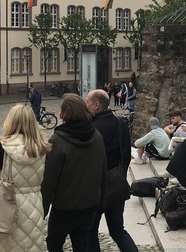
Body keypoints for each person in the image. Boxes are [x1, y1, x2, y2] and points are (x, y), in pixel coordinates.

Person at [41, 93, 107, 252]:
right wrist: (101, 202)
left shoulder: (58, 141)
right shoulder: (97, 136)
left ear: (63, 115)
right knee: (82, 245)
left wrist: (41, 211)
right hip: (89, 205)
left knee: (54, 244)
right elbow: (103, 172)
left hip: (64, 208)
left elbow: (49, 181)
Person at [0, 104, 51, 251]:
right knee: (29, 245)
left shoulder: (2, 148)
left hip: (6, 204)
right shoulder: (42, 148)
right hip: (33, 204)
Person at [85, 89, 137, 252]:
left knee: (90, 232)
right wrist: (120, 173)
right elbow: (126, 153)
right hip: (116, 183)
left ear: (96, 105)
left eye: (87, 102)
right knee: (117, 230)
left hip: (97, 188)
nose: (85, 105)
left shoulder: (92, 128)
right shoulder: (120, 122)